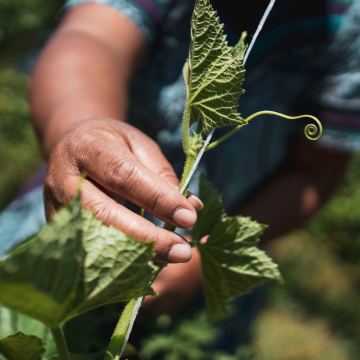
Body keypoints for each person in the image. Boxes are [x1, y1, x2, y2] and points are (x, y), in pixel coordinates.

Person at [1, 0, 360, 324]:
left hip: (205, 276)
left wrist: (208, 256)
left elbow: (317, 172)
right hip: (70, 214)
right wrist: (82, 129)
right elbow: (89, 38)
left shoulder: (347, 23)